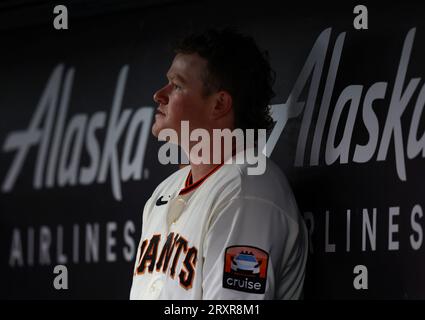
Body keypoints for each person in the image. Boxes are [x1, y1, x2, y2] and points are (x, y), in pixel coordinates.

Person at [129, 27, 308, 299]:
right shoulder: (165, 191)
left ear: (219, 104)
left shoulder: (248, 192)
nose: (159, 94)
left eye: (177, 85)